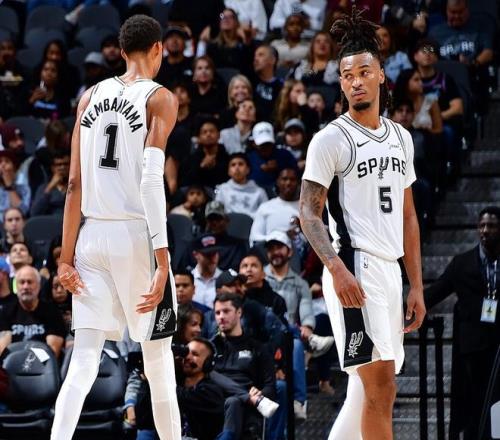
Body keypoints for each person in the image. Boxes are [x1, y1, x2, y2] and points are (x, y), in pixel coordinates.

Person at [50, 15, 181, 440]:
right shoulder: (160, 98)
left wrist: (65, 258)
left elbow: (73, 184)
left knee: (84, 360)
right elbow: (151, 180)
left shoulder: (89, 97)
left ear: (122, 52)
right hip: (136, 236)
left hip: (90, 237)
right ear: (158, 48)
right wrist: (162, 260)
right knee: (158, 363)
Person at [299, 10, 425, 439]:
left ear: (381, 76)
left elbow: (408, 215)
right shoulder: (330, 139)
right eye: (348, 75)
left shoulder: (401, 137)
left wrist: (416, 285)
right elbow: (308, 213)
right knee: (380, 388)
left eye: (364, 72)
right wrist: (336, 270)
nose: (356, 81)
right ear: (340, 82)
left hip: (389, 270)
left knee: (365, 390)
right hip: (354, 267)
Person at [424, 206, 500, 440]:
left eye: (491, 226)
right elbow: (434, 293)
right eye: (482, 226)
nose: (485, 230)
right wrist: (404, 307)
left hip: (499, 345)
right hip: (473, 351)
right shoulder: (462, 263)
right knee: (473, 409)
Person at [212, 293, 277, 439]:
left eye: (226, 311)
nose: (221, 317)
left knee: (234, 402)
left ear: (239, 312)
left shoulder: (258, 348)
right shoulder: (210, 348)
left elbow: (270, 387)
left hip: (245, 407)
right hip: (214, 402)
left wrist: (260, 393)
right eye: (217, 313)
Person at [0, 265, 66, 359]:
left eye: (30, 282)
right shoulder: (6, 311)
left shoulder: (52, 312)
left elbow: (52, 353)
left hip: (42, 365)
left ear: (39, 285)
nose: (26, 286)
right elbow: (3, 351)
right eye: (22, 282)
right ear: (16, 286)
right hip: (13, 364)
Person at [249, 167, 299, 245]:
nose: (288, 183)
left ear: (298, 183)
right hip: (270, 250)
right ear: (277, 182)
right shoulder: (265, 207)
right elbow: (254, 238)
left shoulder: (306, 209)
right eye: (284, 179)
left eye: (292, 180)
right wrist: (280, 238)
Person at [215, 152, 268, 219]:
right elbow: (218, 213)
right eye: (233, 165)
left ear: (248, 170)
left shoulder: (259, 192)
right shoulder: (222, 189)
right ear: (229, 171)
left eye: (240, 164)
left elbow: (265, 214)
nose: (237, 168)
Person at [247, 123, 297, 190]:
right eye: (262, 145)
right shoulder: (249, 158)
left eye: (268, 144)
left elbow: (296, 173)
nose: (265, 147)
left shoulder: (285, 155)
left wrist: (279, 166)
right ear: (253, 143)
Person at [30, 151, 70, 216]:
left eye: (66, 164)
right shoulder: (43, 187)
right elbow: (34, 212)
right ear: (52, 168)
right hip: (50, 221)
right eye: (58, 165)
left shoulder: (78, 187)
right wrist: (50, 188)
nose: (62, 167)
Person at [190, 233, 223, 308]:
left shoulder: (225, 280)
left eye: (215, 253)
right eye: (208, 254)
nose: (212, 258)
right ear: (195, 254)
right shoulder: (188, 280)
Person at [251, 45, 284, 121]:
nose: (255, 59)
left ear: (272, 60)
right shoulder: (250, 82)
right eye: (255, 56)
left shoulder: (281, 86)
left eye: (261, 55)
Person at [156, 26, 193, 91]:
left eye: (178, 37)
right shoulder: (158, 66)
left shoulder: (193, 64)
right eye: (170, 37)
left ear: (185, 43)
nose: (174, 41)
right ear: (165, 43)